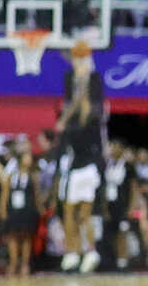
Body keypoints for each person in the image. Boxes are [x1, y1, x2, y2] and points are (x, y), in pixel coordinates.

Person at [57, 42, 106, 273]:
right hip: (74, 165)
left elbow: (84, 105)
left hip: (87, 166)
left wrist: (82, 77)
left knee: (85, 214)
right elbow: (72, 105)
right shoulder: (69, 125)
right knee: (69, 212)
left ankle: (91, 251)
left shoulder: (92, 119)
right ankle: (72, 253)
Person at [2, 151, 42, 277]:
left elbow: (36, 195)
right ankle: (13, 263)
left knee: (26, 237)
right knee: (13, 236)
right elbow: (5, 193)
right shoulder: (12, 176)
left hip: (27, 210)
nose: (29, 159)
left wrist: (40, 208)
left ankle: (25, 264)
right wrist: (2, 209)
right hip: (14, 210)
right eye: (26, 157)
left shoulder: (33, 176)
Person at [102, 140, 139, 271]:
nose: (112, 149)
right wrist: (104, 207)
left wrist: (132, 207)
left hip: (123, 205)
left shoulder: (128, 166)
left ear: (121, 150)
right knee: (111, 234)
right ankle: (113, 260)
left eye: (115, 147)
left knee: (122, 233)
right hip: (110, 204)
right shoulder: (107, 165)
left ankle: (123, 262)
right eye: (111, 146)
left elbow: (134, 188)